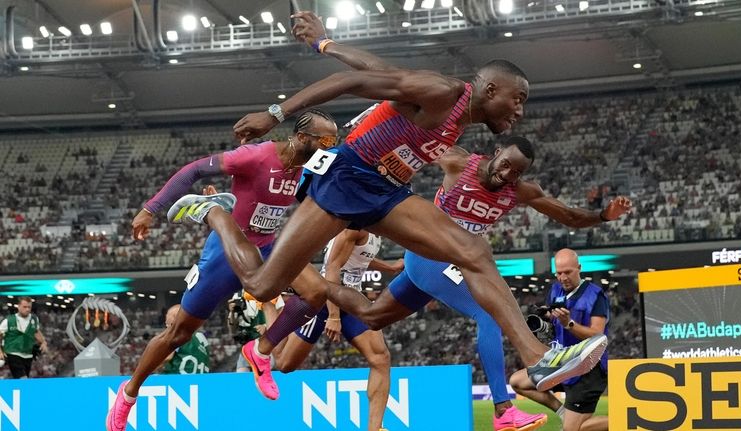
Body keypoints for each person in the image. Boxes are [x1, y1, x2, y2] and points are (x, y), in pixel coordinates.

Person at [168, 13, 605, 401]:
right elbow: (351, 84)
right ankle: (214, 214)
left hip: (386, 190)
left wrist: (326, 43)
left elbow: (381, 72)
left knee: (473, 250)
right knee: (262, 286)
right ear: (490, 89)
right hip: (345, 179)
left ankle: (539, 357)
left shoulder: (448, 108)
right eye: (518, 99)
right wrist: (275, 112)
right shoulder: (442, 92)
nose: (521, 112)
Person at [323, 137, 631, 431]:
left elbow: (569, 215)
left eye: (516, 172)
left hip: (448, 264)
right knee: (488, 312)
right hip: (428, 256)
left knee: (374, 317)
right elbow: (416, 142)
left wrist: (603, 215)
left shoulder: (520, 190)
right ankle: (503, 410)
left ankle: (319, 289)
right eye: (506, 164)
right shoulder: (459, 163)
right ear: (497, 152)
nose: (507, 174)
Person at [106, 110, 338, 431]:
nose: (330, 147)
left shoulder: (309, 167)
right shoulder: (256, 156)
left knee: (316, 293)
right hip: (224, 253)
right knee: (179, 333)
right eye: (325, 140)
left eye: (333, 141)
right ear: (300, 138)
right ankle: (128, 394)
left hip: (268, 246)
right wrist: (151, 209)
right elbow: (194, 170)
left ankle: (261, 351)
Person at [267, 229, 401, 431]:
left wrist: (389, 267)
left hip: (351, 299)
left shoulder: (374, 228)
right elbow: (332, 268)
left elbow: (360, 258)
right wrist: (334, 315)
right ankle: (270, 305)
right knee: (284, 363)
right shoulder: (354, 228)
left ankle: (375, 428)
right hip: (323, 300)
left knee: (380, 358)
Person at [509, 249, 610, 431]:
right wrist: (545, 318)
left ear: (579, 268)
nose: (563, 277)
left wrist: (568, 323)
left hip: (588, 369)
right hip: (561, 362)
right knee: (517, 381)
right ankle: (563, 412)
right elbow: (553, 324)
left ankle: (625, 419)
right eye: (559, 273)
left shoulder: (595, 295)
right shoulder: (555, 290)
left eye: (568, 272)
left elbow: (598, 336)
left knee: (574, 430)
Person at [227, 290, 282, 372]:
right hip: (247, 345)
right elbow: (232, 329)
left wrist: (266, 327)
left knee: (263, 374)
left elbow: (283, 316)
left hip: (266, 345)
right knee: (241, 375)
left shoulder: (271, 290)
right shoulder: (238, 296)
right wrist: (231, 312)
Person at [0, 297, 48, 378]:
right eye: (24, 307)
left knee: (23, 381)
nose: (27, 309)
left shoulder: (34, 319)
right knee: (23, 379)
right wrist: (0, 351)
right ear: (18, 306)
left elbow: (36, 331)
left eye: (29, 307)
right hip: (13, 353)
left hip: (28, 355)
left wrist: (43, 342)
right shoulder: (8, 321)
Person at [159, 305, 210, 374]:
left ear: (176, 318)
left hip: (177, 380)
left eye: (167, 318)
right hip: (200, 381)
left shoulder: (177, 333)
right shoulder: (201, 338)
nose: (166, 323)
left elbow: (167, 357)